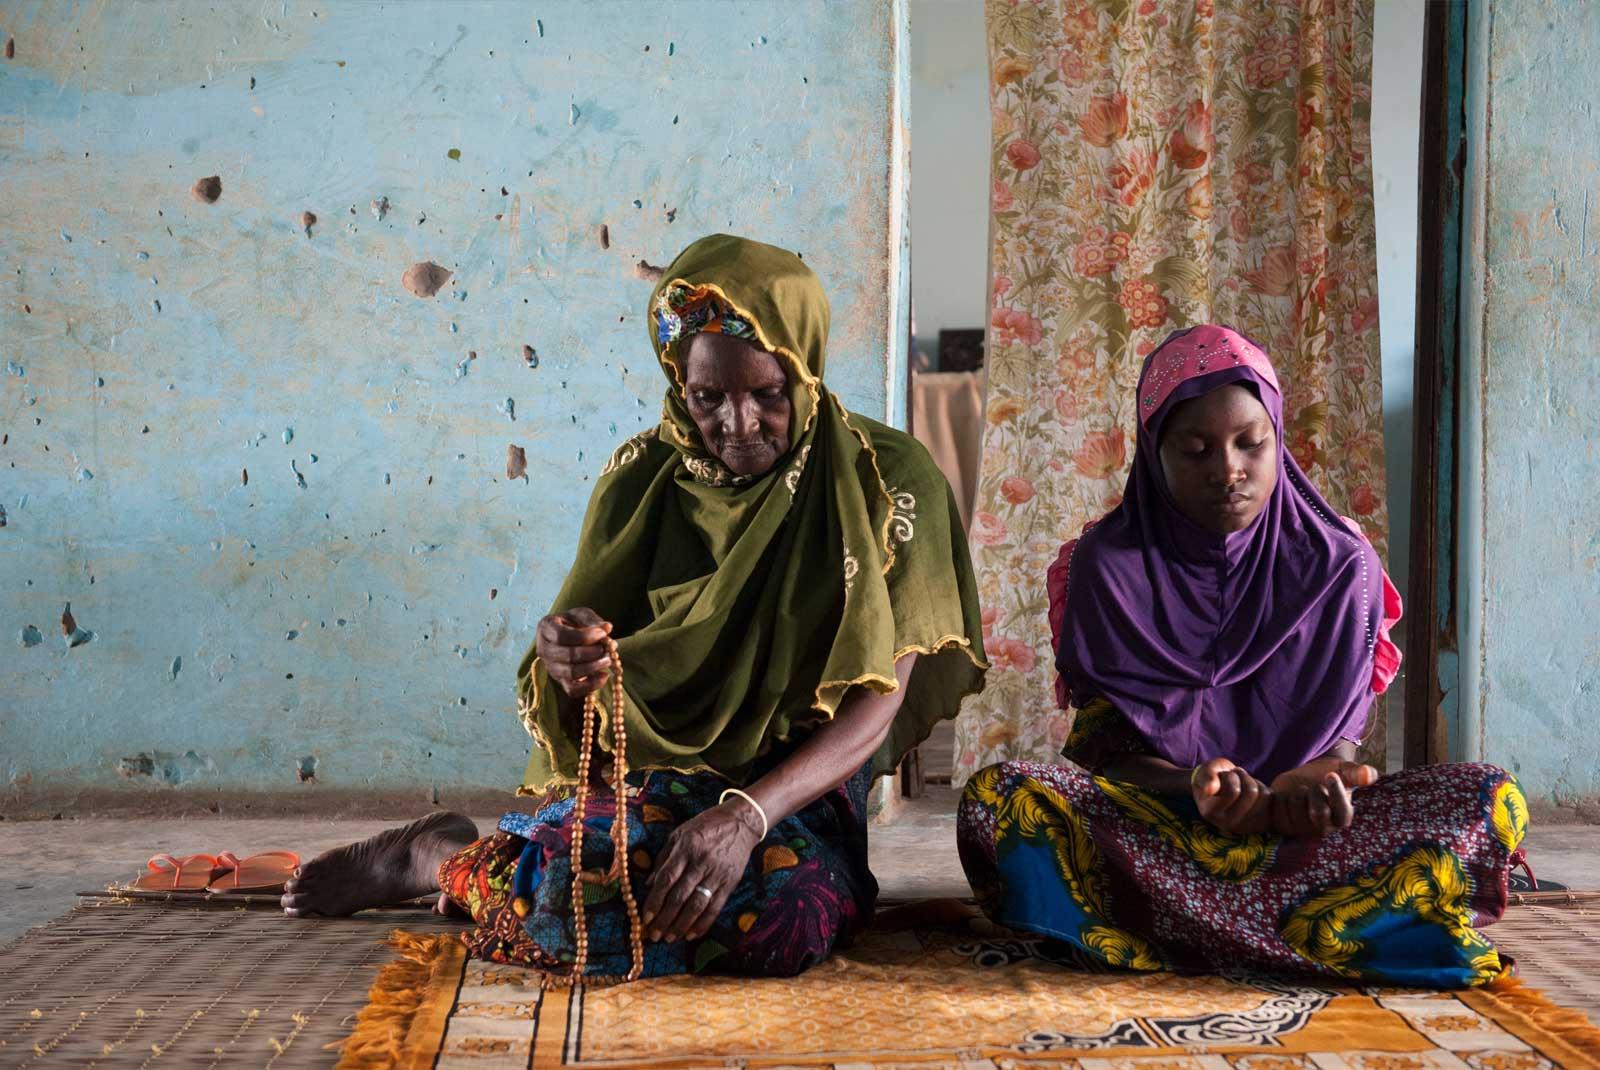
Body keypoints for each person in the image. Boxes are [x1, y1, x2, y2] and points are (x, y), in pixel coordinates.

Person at [283, 233, 987, 978]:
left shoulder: (888, 483)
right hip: (651, 778)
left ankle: (462, 867)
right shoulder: (642, 479)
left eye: (768, 394)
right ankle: (433, 854)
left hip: (794, 798)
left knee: (781, 919)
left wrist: (744, 817)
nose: (737, 424)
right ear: (679, 383)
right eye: (708, 397)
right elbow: (573, 663)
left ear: (804, 369)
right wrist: (567, 656)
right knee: (566, 893)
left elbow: (877, 702)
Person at [958, 324, 1528, 987]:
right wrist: (1198, 788)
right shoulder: (1107, 566)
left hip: (1301, 839)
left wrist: (1315, 786)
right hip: (1167, 827)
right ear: (1154, 454)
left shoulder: (1341, 566)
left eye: (1250, 444)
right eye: (1195, 450)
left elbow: (1337, 752)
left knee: (1491, 796)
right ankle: (1319, 927)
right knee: (1002, 799)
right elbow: (1110, 753)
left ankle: (1174, 928)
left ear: (1277, 440)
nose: (1228, 469)